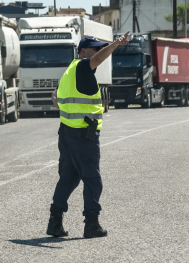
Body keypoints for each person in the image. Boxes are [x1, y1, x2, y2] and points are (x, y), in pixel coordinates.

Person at [47, 32, 130, 239]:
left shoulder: (70, 70)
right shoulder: (83, 66)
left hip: (67, 132)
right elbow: (98, 59)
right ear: (83, 51)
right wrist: (116, 44)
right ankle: (91, 224)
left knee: (69, 177)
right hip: (83, 134)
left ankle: (55, 222)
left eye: (100, 48)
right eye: (95, 48)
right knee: (93, 179)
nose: (98, 52)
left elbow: (55, 97)